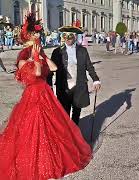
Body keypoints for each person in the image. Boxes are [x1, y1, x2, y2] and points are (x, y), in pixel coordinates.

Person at [0, 13, 92, 179]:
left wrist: (42, 56)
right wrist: (35, 58)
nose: (38, 39)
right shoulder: (22, 61)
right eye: (35, 36)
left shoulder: (40, 55)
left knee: (53, 123)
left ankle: (52, 153)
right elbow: (35, 73)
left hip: (45, 93)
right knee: (32, 126)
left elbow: (54, 68)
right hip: (33, 94)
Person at [48, 24, 101, 126]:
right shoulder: (57, 52)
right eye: (65, 36)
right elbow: (51, 69)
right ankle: (67, 136)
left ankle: (75, 133)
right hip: (63, 87)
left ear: (75, 37)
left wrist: (96, 80)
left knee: (76, 113)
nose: (68, 39)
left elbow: (89, 66)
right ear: (63, 37)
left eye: (70, 36)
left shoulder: (82, 51)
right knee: (64, 113)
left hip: (79, 86)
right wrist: (49, 84)